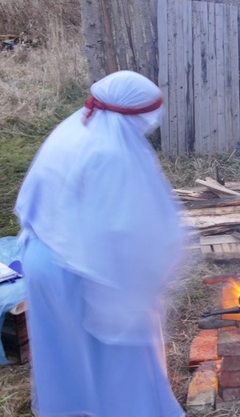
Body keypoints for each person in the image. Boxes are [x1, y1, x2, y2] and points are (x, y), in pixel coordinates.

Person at [14, 71, 185, 416]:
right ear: (133, 114)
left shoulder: (75, 126)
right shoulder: (113, 153)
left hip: (42, 262)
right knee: (120, 357)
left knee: (67, 356)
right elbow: (132, 230)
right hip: (79, 270)